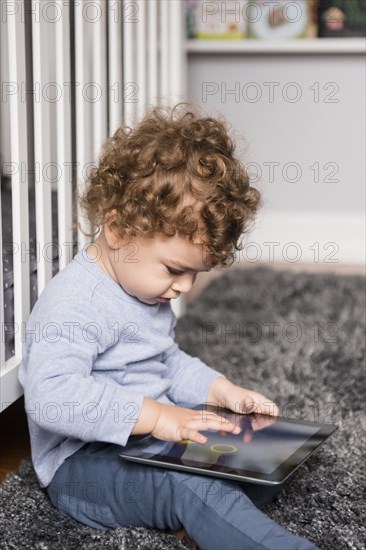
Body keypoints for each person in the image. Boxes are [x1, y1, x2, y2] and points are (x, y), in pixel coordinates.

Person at [19, 103, 319, 550]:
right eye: (175, 269)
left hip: (150, 443)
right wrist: (158, 417)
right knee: (194, 488)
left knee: (260, 464)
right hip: (83, 465)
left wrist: (221, 391)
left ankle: (203, 517)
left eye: (194, 275)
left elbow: (166, 361)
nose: (183, 287)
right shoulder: (73, 304)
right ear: (119, 231)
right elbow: (51, 398)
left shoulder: (146, 287)